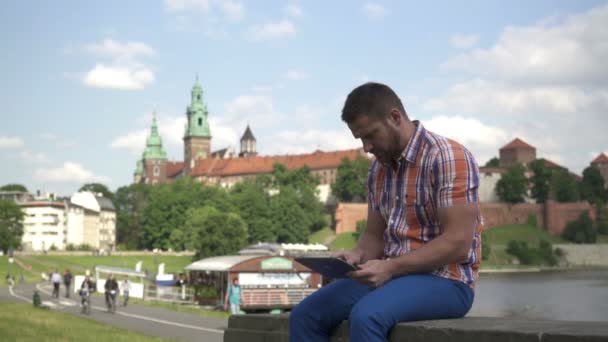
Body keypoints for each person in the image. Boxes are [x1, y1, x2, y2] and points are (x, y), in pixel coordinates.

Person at [289, 82, 483, 342]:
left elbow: (458, 243)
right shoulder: (377, 170)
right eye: (360, 139)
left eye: (370, 135)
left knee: (367, 316)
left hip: (448, 281)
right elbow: (374, 238)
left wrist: (390, 267)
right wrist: (355, 256)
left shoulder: (447, 156)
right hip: (392, 277)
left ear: (395, 117)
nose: (366, 147)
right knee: (305, 315)